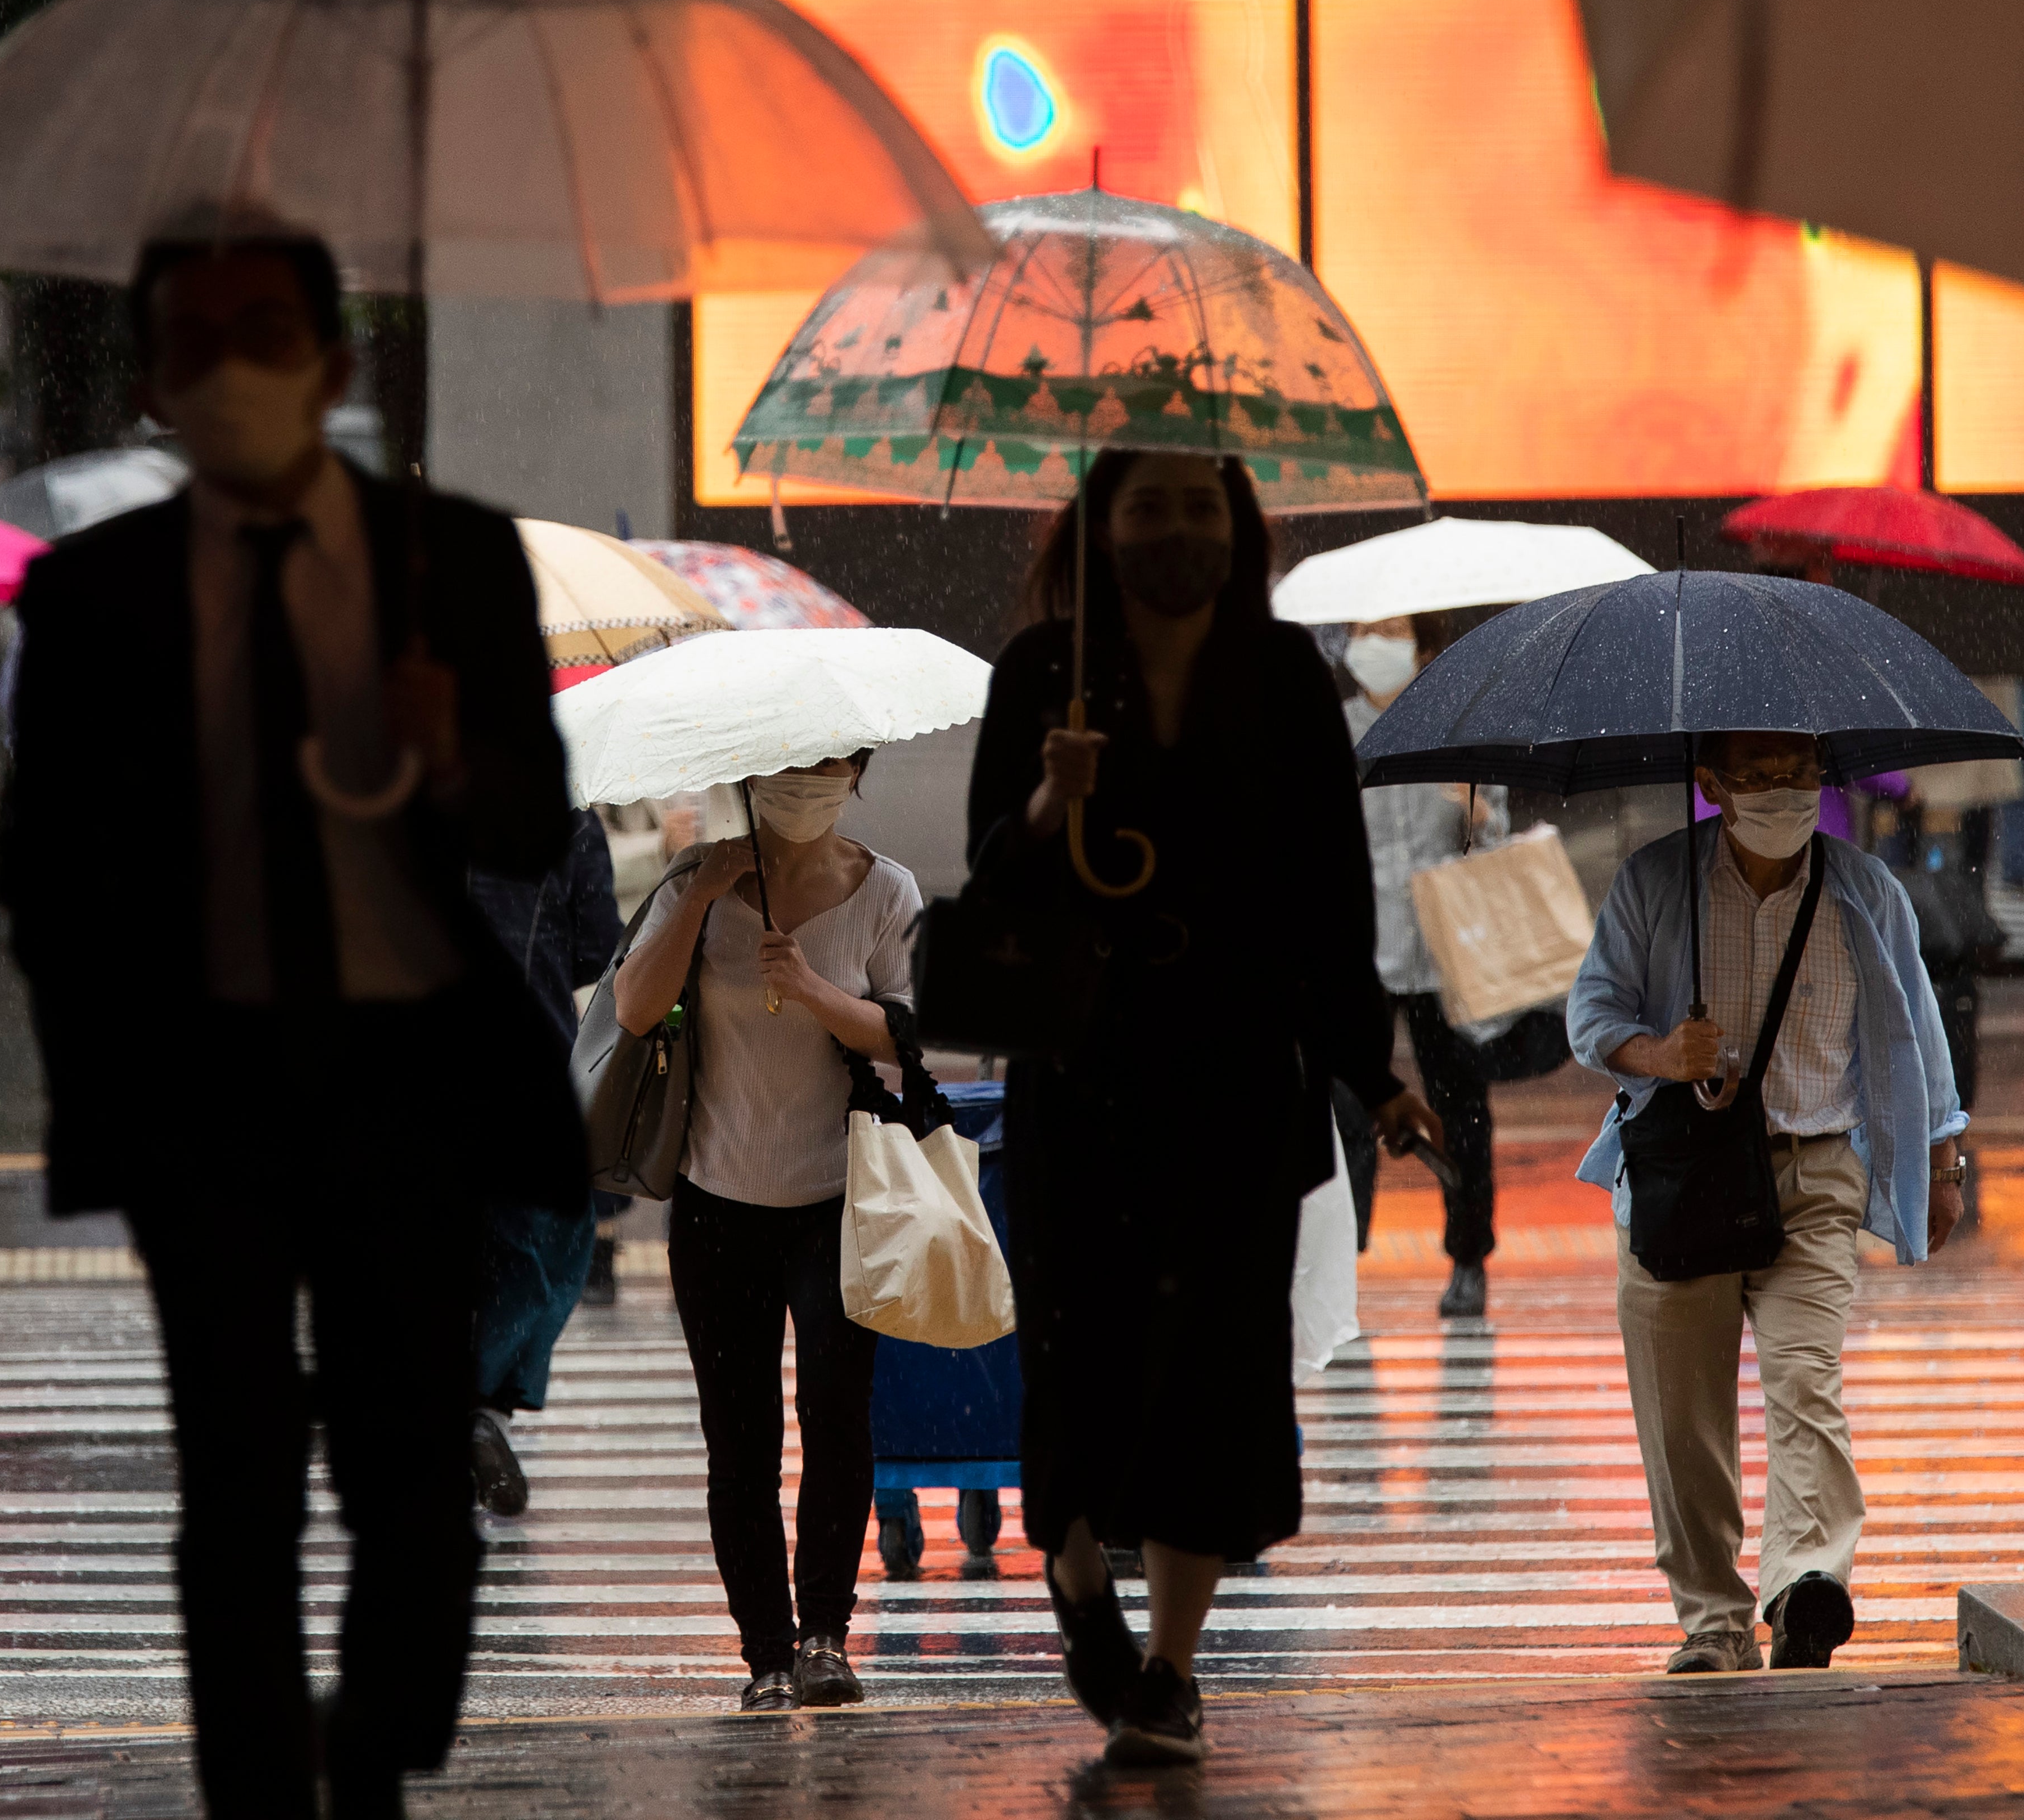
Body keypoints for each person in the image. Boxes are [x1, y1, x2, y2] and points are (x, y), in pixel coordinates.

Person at [0, 225, 580, 1820]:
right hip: (209, 1105)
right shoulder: (94, 594)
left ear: (332, 365)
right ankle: (260, 1788)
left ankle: (377, 1738)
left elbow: (540, 829)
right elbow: (41, 874)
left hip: (412, 1089)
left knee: (415, 1482)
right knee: (237, 1481)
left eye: (269, 333)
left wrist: (455, 752)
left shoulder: (447, 560)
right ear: (155, 387)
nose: (236, 368)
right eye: (199, 342)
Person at [966, 449, 1444, 1766]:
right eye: (1146, 505)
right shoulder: (1037, 675)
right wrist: (1052, 797)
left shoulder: (1286, 679)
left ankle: (1172, 1666)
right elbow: (991, 887)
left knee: (1213, 1377)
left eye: (1197, 505)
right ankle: (1074, 1576)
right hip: (1082, 1077)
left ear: (1237, 528)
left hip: (1234, 1082)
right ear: (1099, 524)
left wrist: (1374, 1070)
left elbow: (1328, 899)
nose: (1174, 529)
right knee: (1081, 1358)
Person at [1567, 731, 1966, 1676]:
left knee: (1805, 1383)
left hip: (1816, 1175)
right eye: (1758, 776)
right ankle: (1712, 1621)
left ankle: (1805, 1588)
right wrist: (1664, 1056)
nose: (1783, 794)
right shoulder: (1656, 881)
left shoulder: (1868, 891)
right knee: (1685, 1419)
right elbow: (1592, 1016)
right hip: (1680, 1179)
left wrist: (1944, 1162)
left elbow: (1918, 1030)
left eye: (1799, 775)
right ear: (1709, 784)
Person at [610, 753, 921, 1713]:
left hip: (837, 1199)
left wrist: (819, 990)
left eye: (828, 765)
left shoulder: (886, 891)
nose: (806, 781)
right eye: (788, 765)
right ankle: (767, 1659)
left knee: (836, 1419)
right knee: (738, 1442)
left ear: (857, 772)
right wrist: (703, 890)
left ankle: (825, 1634)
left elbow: (907, 1037)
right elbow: (630, 1008)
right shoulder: (693, 882)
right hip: (716, 1205)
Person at [1341, 611, 1511, 1315]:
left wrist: (1473, 811)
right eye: (1363, 627)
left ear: (1425, 645)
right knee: (1349, 1109)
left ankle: (1468, 1256)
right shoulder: (1336, 726)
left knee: (1461, 1109)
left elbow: (1495, 836)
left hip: (1446, 951)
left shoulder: (1458, 723)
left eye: (1389, 628)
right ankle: (1340, 1264)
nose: (1372, 641)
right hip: (1360, 947)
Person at [464, 803, 624, 1517]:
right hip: (524, 1073)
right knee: (544, 1249)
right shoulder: (563, 820)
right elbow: (596, 949)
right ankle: (480, 1405)